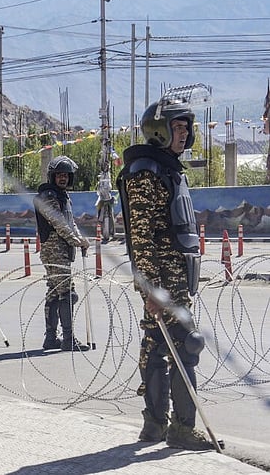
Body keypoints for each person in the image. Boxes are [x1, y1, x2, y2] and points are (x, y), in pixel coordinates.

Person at [117, 98, 216, 450]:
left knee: (160, 348)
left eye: (186, 128)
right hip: (162, 282)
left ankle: (155, 427)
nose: (184, 133)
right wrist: (150, 288)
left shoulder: (167, 168)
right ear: (159, 131)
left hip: (176, 279)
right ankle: (181, 429)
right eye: (177, 127)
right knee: (186, 347)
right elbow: (141, 237)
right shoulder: (147, 171)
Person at [34, 156, 90, 352]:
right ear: (52, 176)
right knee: (66, 294)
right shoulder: (48, 196)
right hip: (54, 251)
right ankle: (68, 338)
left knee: (54, 294)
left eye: (66, 175)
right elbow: (58, 222)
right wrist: (75, 240)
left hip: (62, 250)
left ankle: (51, 338)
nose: (63, 178)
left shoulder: (62, 196)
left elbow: (70, 222)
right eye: (59, 175)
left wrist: (81, 238)